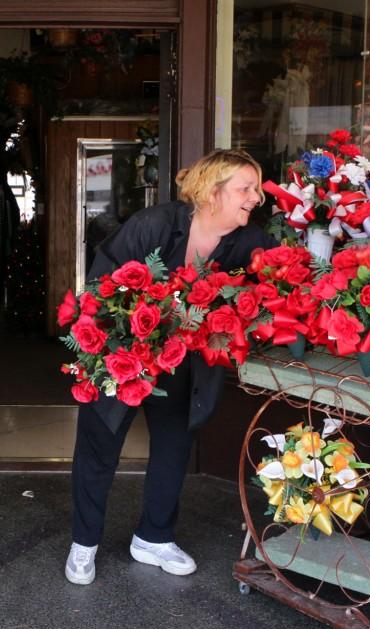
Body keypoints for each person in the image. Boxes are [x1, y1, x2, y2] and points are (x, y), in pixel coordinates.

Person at [65, 148, 277, 585]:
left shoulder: (250, 241)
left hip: (186, 361)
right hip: (123, 352)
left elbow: (268, 296)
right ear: (211, 191)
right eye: (246, 188)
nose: (256, 197)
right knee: (99, 444)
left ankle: (153, 537)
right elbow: (101, 287)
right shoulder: (155, 225)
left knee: (173, 446)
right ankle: (83, 544)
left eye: (255, 188)